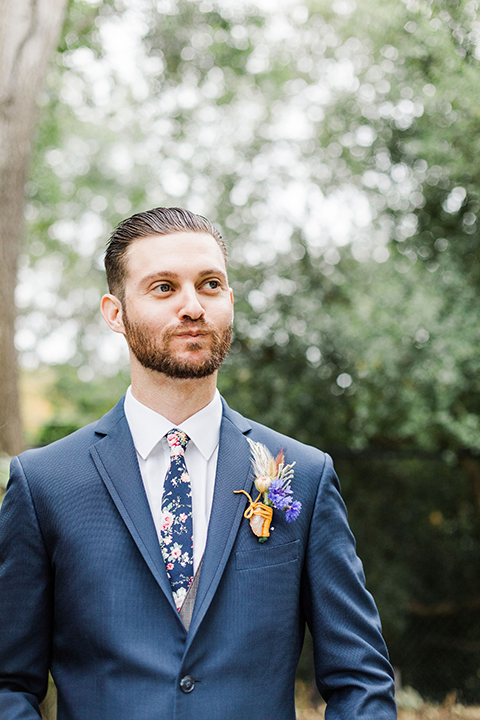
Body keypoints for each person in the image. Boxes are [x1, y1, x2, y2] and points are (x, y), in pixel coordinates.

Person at [0, 207, 397, 720]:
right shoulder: (45, 483)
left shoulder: (305, 474)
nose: (193, 306)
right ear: (114, 312)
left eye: (210, 284)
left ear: (229, 300)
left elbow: (360, 679)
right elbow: (7, 682)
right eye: (163, 288)